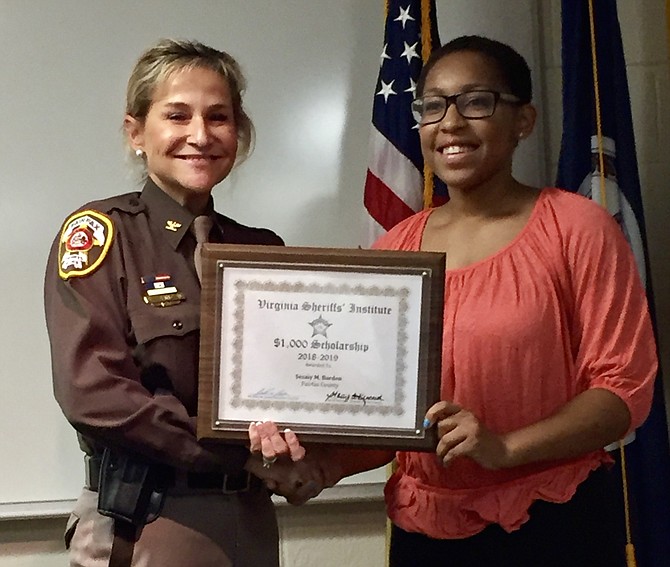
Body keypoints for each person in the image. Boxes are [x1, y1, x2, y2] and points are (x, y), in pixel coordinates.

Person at [252, 35, 658, 567]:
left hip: (554, 523)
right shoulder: (393, 250)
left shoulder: (577, 228)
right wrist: (318, 469)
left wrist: (506, 447)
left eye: (476, 102)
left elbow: (621, 390)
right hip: (426, 533)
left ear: (523, 121)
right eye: (433, 106)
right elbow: (388, 416)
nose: (451, 123)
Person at [44, 38, 322, 567]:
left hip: (250, 513)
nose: (200, 135)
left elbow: (299, 381)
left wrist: (308, 455)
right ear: (136, 133)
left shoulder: (263, 251)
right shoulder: (102, 235)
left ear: (238, 133)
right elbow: (94, 393)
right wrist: (233, 451)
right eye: (177, 115)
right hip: (147, 516)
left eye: (219, 117)